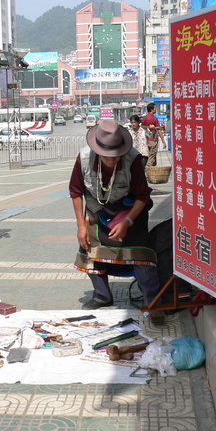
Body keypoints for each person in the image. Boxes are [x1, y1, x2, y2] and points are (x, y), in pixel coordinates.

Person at [70, 119, 160, 310]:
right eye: (107, 156)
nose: (112, 159)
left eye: (116, 155)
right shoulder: (84, 158)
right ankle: (102, 296)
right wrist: (81, 225)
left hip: (130, 210)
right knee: (90, 250)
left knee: (141, 255)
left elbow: (143, 196)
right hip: (97, 210)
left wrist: (127, 221)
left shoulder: (133, 159)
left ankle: (152, 301)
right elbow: (76, 192)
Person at [141, 102, 166, 167]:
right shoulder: (154, 119)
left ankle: (152, 174)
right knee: (152, 157)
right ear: (152, 109)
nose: (155, 109)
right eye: (155, 108)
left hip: (145, 140)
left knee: (149, 157)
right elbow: (159, 130)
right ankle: (148, 172)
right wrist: (163, 141)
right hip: (153, 140)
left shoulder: (144, 118)